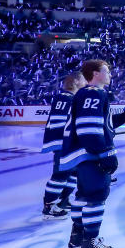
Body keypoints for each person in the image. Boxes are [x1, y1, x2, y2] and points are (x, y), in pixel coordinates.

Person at [60, 59, 125, 248]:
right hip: (90, 153)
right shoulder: (94, 93)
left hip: (81, 154)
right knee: (97, 194)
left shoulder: (86, 94)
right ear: (95, 74)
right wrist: (105, 153)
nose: (110, 74)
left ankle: (76, 241)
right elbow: (88, 127)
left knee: (84, 196)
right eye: (106, 71)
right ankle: (90, 244)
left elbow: (105, 123)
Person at [40, 72, 86, 222]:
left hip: (64, 142)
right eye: (83, 79)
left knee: (73, 172)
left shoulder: (63, 97)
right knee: (61, 174)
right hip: (63, 143)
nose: (86, 81)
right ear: (75, 82)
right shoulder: (70, 99)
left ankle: (63, 200)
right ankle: (48, 206)